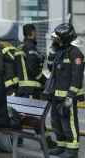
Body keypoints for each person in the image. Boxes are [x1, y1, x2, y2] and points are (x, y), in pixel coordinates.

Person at [46, 23, 84, 158]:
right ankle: (61, 146)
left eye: (58, 38)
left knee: (69, 123)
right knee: (56, 123)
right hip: (55, 95)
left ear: (65, 38)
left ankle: (72, 150)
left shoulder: (76, 53)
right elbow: (51, 70)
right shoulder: (59, 51)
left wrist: (70, 95)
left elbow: (77, 77)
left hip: (68, 96)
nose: (55, 40)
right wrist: (51, 54)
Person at [17, 24, 45, 99]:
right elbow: (33, 68)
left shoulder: (20, 47)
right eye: (36, 32)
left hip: (22, 89)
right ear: (33, 32)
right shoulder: (30, 47)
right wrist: (45, 80)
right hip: (31, 90)